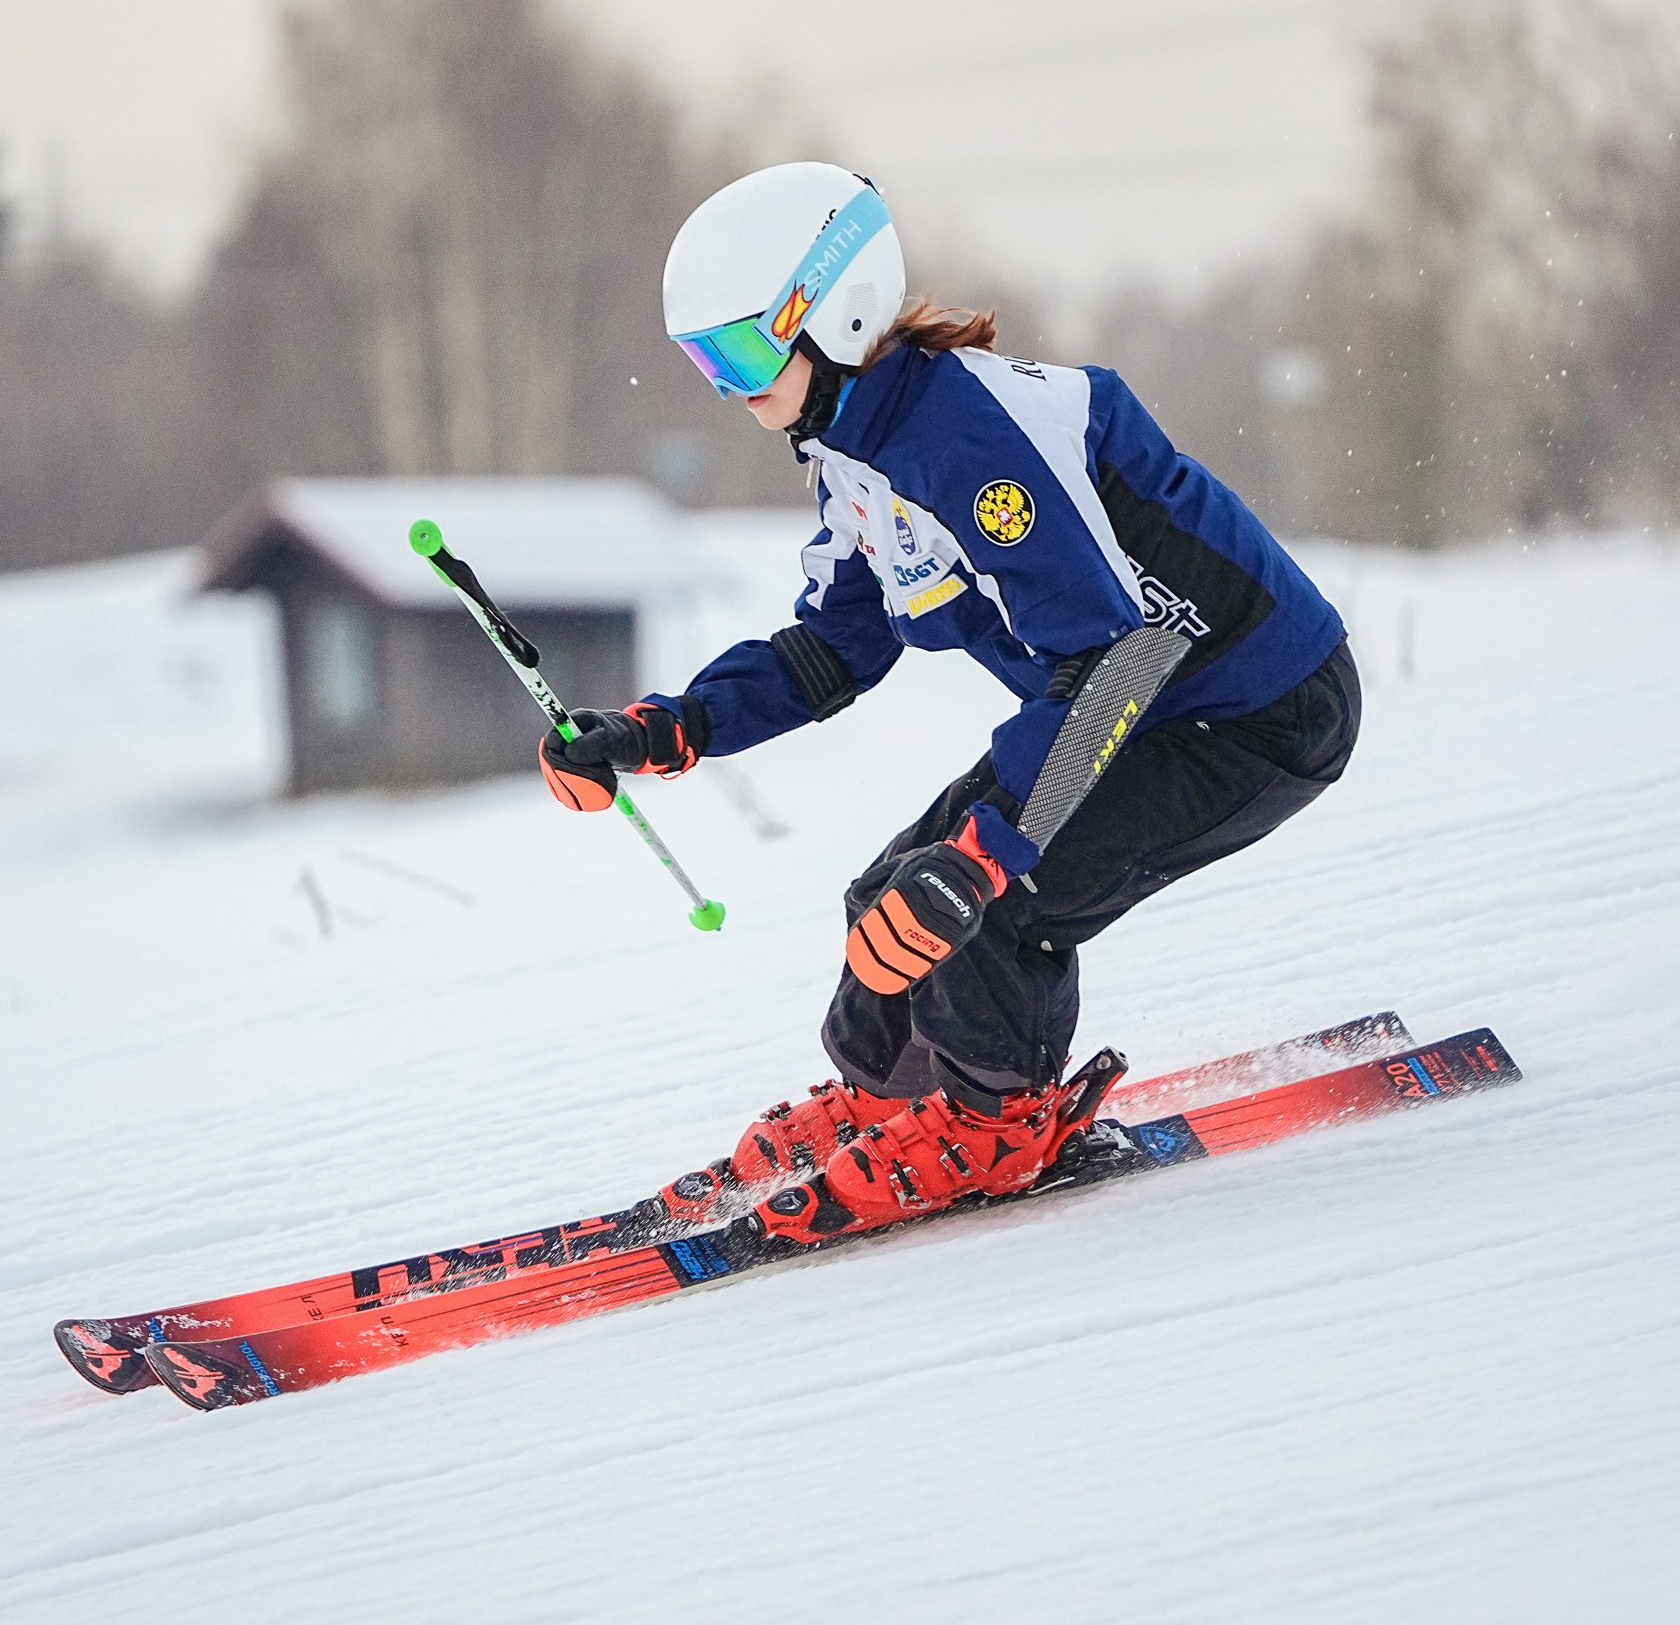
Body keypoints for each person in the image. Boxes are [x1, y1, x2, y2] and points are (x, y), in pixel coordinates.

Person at [540, 162, 1359, 1246]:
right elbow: (835, 646)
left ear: (831, 315)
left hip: (1253, 709)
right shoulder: (852, 453)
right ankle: (891, 1100)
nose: (729, 391)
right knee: (888, 893)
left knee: (980, 903)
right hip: (1124, 706)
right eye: (703, 364)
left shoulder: (970, 438)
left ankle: (996, 1122)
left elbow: (1117, 656)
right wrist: (668, 729)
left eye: (739, 352)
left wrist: (981, 862)